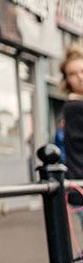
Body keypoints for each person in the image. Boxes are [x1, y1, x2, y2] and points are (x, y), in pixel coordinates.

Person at [59, 44, 83, 178]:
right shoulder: (75, 107)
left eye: (82, 71)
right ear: (67, 80)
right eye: (72, 74)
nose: (80, 78)